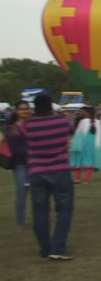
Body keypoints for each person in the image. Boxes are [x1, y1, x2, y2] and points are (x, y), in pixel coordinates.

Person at [22, 94, 74, 260]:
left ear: (34, 108)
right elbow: (70, 130)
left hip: (37, 171)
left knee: (40, 211)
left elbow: (17, 137)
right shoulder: (62, 121)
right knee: (64, 209)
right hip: (60, 169)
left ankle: (45, 247)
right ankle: (58, 246)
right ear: (51, 106)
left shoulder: (28, 125)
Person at [4, 101, 31, 232]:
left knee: (38, 194)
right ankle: (20, 222)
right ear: (16, 111)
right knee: (21, 194)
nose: (24, 112)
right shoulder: (12, 128)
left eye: (26, 109)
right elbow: (13, 149)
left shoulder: (33, 125)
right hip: (21, 165)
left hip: (35, 164)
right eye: (21, 109)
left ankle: (39, 219)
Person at [69, 106, 101, 184]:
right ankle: (86, 180)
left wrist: (74, 143)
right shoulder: (97, 122)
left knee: (78, 159)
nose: (81, 113)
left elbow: (78, 134)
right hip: (92, 144)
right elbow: (99, 135)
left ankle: (77, 178)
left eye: (82, 111)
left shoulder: (82, 122)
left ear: (87, 113)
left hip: (82, 143)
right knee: (90, 161)